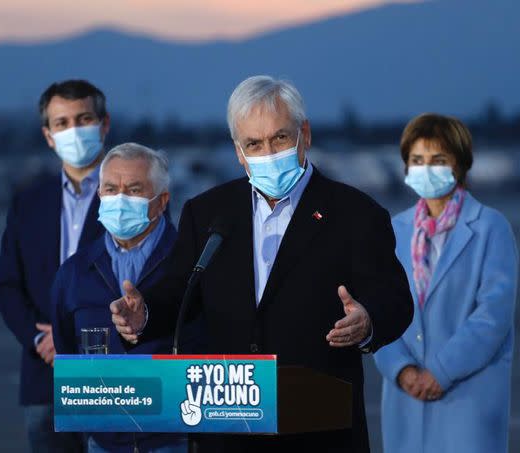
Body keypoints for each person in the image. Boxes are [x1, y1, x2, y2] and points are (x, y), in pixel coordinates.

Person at [110, 75, 414, 452]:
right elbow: (179, 290)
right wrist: (145, 313)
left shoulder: (355, 214)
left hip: (320, 431)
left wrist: (368, 321)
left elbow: (396, 299)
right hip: (228, 431)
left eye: (280, 138)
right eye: (254, 143)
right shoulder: (206, 213)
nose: (268, 153)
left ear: (305, 134)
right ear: (239, 151)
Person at [374, 113, 519, 453]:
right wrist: (401, 369)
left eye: (438, 160)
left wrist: (440, 371)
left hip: (467, 398)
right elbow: (376, 308)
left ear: (461, 164)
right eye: (417, 160)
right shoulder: (394, 230)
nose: (426, 169)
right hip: (405, 398)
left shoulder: (490, 228)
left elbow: (492, 316)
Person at [0, 79, 110, 452]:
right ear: (48, 135)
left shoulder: (132, 194)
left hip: (111, 378)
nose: (73, 130)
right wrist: (40, 337)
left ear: (104, 124)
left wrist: (76, 338)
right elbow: (7, 284)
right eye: (62, 123)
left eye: (84, 118)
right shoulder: (28, 202)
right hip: (45, 377)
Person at [51, 143, 191, 453]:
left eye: (134, 190)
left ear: (162, 201)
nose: (120, 199)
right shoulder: (74, 273)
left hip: (175, 440)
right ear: (99, 196)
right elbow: (66, 355)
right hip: (103, 442)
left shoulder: (192, 264)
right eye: (111, 189)